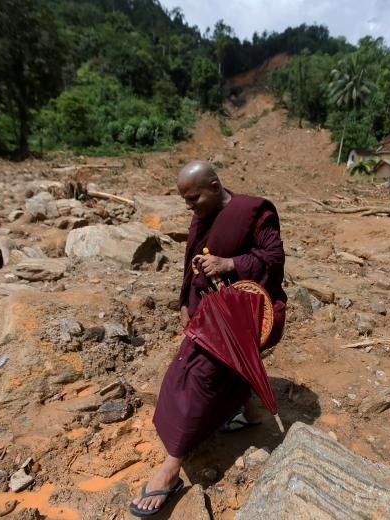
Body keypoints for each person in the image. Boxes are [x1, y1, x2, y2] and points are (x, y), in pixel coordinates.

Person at [130, 160, 287, 516]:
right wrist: (187, 300)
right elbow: (193, 259)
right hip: (210, 311)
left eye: (194, 198)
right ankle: (248, 413)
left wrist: (229, 264)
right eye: (185, 200)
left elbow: (274, 258)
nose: (190, 206)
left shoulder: (253, 211)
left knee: (197, 378)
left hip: (247, 312)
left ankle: (170, 468)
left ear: (216, 186)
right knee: (222, 369)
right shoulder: (204, 212)